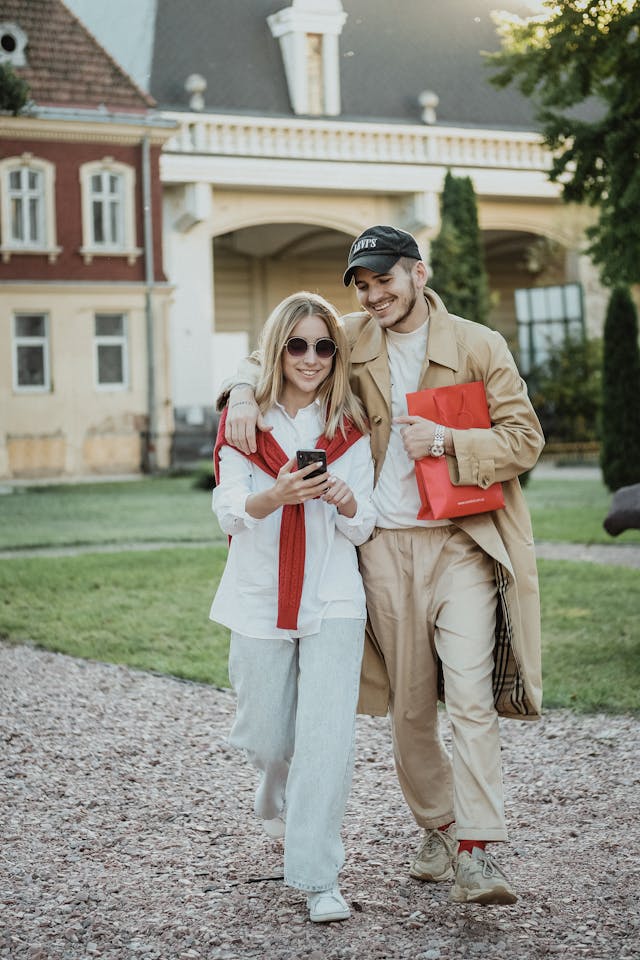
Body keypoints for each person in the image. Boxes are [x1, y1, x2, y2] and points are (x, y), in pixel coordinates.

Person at [219, 226, 545, 906]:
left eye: (384, 280)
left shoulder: (480, 346)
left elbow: (525, 439)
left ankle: (479, 851)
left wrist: (453, 440)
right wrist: (243, 395)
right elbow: (276, 351)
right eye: (362, 286)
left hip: (461, 541)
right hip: (382, 548)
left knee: (470, 696)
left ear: (418, 274)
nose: (373, 296)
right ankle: (439, 826)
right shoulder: (350, 340)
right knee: (410, 711)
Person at [210, 291, 375, 924]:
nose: (311, 358)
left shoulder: (348, 427)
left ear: (336, 355)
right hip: (257, 596)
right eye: (298, 344)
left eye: (324, 347)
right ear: (278, 348)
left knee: (326, 741)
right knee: (268, 734)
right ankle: (272, 778)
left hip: (334, 594)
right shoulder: (244, 420)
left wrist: (344, 499)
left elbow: (366, 527)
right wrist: (273, 495)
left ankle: (317, 875)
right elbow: (227, 507)